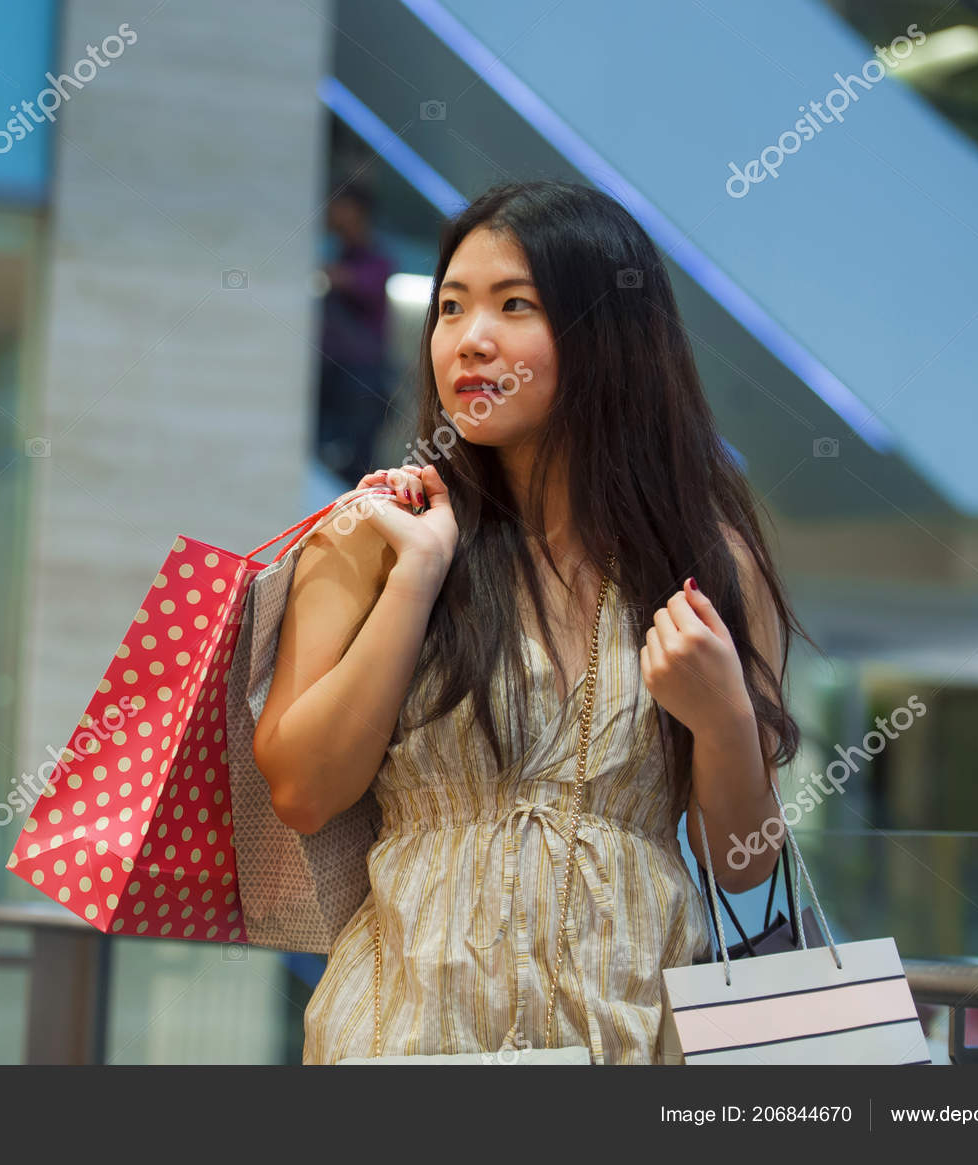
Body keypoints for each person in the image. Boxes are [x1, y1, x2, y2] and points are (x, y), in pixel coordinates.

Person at [253, 180, 811, 1064]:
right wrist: (418, 577)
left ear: (611, 334)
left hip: (628, 1045)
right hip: (405, 1043)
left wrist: (725, 717)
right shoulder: (377, 536)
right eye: (450, 307)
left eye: (516, 305)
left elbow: (742, 870)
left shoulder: (710, 566)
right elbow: (303, 788)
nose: (470, 339)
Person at [315, 183, 397, 482]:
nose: (333, 213)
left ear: (359, 212)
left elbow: (363, 285)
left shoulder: (377, 258)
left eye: (340, 206)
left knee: (357, 467)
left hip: (362, 380)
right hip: (331, 376)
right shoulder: (337, 253)